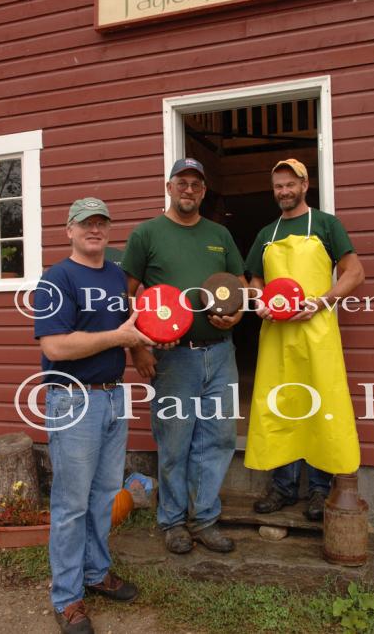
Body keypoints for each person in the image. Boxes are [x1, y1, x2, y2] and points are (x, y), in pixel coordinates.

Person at [34, 198, 154, 634]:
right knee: (70, 505)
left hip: (112, 397)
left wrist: (145, 340)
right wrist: (117, 338)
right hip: (73, 400)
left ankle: (95, 572)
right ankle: (66, 598)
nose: (95, 229)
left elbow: (128, 329)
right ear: (69, 230)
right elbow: (55, 347)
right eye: (86, 223)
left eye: (102, 222)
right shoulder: (56, 278)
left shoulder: (114, 276)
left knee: (105, 495)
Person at [122, 158, 246, 555]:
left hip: (221, 355)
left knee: (219, 437)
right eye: (182, 182)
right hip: (174, 360)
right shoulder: (147, 234)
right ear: (169, 187)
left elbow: (238, 286)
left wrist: (236, 317)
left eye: (196, 184)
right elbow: (124, 294)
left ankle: (205, 519)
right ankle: (173, 522)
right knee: (175, 441)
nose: (189, 190)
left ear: (203, 191)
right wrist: (138, 347)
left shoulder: (220, 235)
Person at [244, 159, 365, 520]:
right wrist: (259, 301)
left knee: (320, 407)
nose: (284, 191)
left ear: (304, 184)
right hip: (277, 335)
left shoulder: (327, 224)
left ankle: (318, 490)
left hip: (317, 332)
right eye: (278, 186)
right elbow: (252, 280)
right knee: (282, 404)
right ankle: (282, 488)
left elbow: (355, 273)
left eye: (290, 184)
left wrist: (322, 301)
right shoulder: (267, 232)